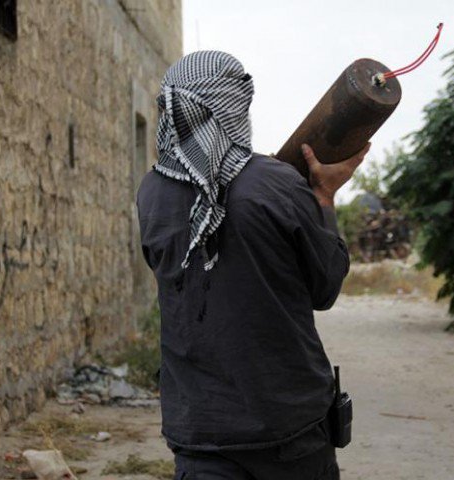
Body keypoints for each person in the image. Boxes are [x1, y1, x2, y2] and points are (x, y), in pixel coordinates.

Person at [136, 51, 370, 480]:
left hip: (198, 430)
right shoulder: (275, 182)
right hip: (287, 429)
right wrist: (323, 198)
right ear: (234, 105)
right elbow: (326, 288)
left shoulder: (151, 193)